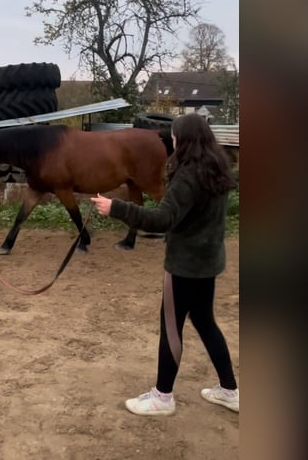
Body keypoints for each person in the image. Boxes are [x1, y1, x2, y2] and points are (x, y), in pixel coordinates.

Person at [90, 113, 239, 416]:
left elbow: (163, 219)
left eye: (173, 136)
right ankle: (230, 390)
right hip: (207, 263)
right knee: (205, 322)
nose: (171, 141)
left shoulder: (188, 175)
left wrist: (115, 207)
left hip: (185, 266)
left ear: (182, 140)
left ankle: (162, 397)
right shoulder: (215, 169)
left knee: (171, 327)